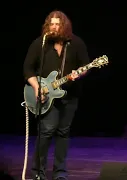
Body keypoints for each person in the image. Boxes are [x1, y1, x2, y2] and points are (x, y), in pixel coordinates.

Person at [23, 10, 90, 180]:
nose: (53, 27)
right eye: (51, 24)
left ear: (64, 26)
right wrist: (37, 87)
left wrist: (78, 74)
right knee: (46, 130)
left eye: (57, 24)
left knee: (63, 132)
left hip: (70, 95)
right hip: (45, 95)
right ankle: (38, 172)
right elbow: (28, 69)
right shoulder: (40, 43)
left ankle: (60, 173)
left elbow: (85, 66)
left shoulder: (76, 43)